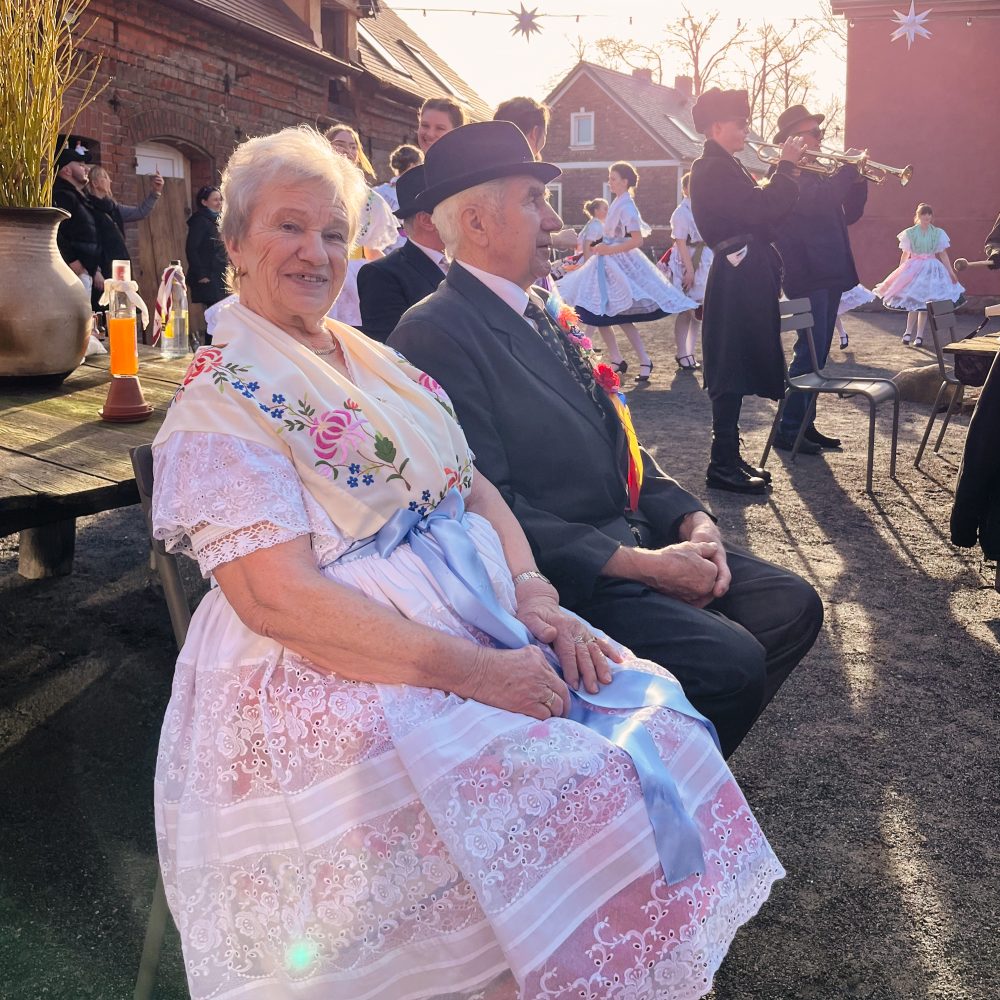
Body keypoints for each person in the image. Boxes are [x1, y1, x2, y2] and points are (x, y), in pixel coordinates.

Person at [151, 123, 785, 1000]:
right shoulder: (222, 400)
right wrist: (482, 674)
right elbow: (278, 600)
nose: (316, 251)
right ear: (234, 242)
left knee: (662, 724)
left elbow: (473, 486)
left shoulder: (370, 358)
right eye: (288, 227)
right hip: (338, 671)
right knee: (583, 787)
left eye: (334, 232)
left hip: (476, 619)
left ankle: (564, 969)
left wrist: (534, 593)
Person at [390, 121, 824, 759]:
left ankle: (666, 764)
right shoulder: (436, 333)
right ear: (477, 223)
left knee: (792, 605)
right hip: (572, 577)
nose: (555, 222)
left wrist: (694, 521)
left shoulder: (539, 307)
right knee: (731, 664)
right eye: (534, 201)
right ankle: (639, 797)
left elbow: (618, 441)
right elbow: (487, 505)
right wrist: (642, 567)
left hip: (636, 538)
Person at [689, 88, 805, 494]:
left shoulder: (724, 166)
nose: (747, 129)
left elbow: (765, 213)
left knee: (736, 360)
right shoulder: (711, 168)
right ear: (718, 126)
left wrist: (785, 176)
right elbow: (760, 209)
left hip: (744, 271)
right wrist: (786, 170)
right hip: (737, 273)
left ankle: (727, 457)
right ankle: (721, 463)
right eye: (741, 123)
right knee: (729, 362)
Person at [768, 104, 869, 453]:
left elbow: (849, 213)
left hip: (828, 271)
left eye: (821, 133)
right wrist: (845, 170)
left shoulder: (817, 173)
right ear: (794, 137)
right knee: (808, 352)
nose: (822, 139)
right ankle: (788, 428)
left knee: (819, 354)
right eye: (816, 133)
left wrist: (856, 181)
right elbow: (816, 202)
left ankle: (803, 425)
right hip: (807, 273)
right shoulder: (788, 173)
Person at [556, 161, 697, 382]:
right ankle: (624, 358)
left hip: (617, 263)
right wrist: (603, 247)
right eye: (610, 178)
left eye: (613, 178)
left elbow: (636, 240)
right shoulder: (618, 203)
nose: (610, 182)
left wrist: (608, 248)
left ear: (625, 181)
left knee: (605, 312)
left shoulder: (627, 206)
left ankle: (627, 359)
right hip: (607, 261)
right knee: (605, 312)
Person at [357, 165, 447, 342]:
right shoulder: (383, 275)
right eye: (453, 210)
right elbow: (391, 351)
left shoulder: (468, 262)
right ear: (427, 220)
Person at [325, 123, 399, 327]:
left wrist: (395, 274)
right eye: (339, 144)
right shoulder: (312, 189)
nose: (347, 151)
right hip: (321, 267)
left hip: (355, 277)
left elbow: (372, 250)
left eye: (353, 146)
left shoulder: (370, 200)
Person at [874, 203, 964, 346]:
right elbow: (905, 254)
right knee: (913, 302)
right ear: (918, 216)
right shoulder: (910, 233)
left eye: (929, 214)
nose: (927, 217)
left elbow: (943, 254)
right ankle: (908, 332)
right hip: (914, 268)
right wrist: (900, 272)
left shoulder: (937, 233)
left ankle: (919, 336)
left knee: (925, 304)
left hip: (932, 270)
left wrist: (950, 272)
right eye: (924, 214)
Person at [667, 171, 713, 371]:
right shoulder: (681, 212)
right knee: (687, 310)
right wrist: (689, 269)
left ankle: (690, 352)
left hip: (705, 258)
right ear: (685, 189)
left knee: (698, 311)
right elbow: (680, 242)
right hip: (688, 259)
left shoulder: (704, 208)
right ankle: (682, 353)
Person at [87, 164, 164, 279]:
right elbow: (89, 241)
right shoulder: (88, 208)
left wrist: (155, 192)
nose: (110, 181)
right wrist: (96, 270)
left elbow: (140, 212)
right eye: (105, 177)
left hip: (120, 264)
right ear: (95, 183)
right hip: (103, 267)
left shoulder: (113, 207)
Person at [52, 146, 104, 307]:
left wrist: (95, 268)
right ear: (66, 170)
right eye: (80, 164)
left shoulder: (79, 197)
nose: (86, 168)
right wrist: (73, 262)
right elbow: (58, 232)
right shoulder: (61, 195)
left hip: (87, 272)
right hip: (74, 273)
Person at [185, 185, 229, 341]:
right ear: (204, 202)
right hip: (208, 277)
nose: (219, 202)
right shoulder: (200, 221)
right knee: (215, 318)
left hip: (220, 275)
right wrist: (201, 274)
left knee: (221, 317)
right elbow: (192, 249)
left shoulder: (218, 220)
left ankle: (218, 352)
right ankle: (211, 353)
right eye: (215, 199)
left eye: (220, 199)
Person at [373, 142, 423, 251]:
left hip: (380, 246)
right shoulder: (414, 194)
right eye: (420, 164)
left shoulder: (378, 191)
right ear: (411, 166)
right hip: (402, 247)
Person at [834, 283, 876, 349]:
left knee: (832, 311)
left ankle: (842, 334)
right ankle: (842, 335)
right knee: (829, 311)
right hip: (818, 281)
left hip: (834, 280)